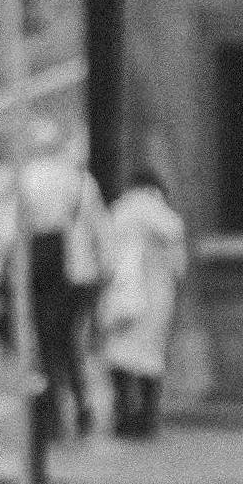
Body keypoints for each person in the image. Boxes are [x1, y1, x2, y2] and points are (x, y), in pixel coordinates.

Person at [0, 129, 104, 442]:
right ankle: (82, 405)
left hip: (38, 270)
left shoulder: (23, 180)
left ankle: (52, 412)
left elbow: (3, 235)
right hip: (78, 271)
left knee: (45, 343)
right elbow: (100, 230)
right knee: (69, 340)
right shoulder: (81, 181)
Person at [99, 147, 187, 441]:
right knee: (151, 357)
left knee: (119, 355)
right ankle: (147, 419)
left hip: (121, 295)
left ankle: (123, 414)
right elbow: (179, 265)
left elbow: (104, 255)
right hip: (156, 297)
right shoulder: (165, 216)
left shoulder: (119, 212)